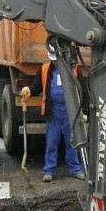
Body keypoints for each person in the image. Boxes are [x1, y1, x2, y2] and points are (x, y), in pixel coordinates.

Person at [19, 45, 85, 183]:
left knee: (71, 141)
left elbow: (83, 90)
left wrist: (84, 111)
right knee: (52, 142)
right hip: (54, 111)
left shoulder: (74, 69)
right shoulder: (44, 70)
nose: (56, 62)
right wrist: (29, 90)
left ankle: (75, 169)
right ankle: (49, 170)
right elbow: (37, 87)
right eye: (54, 60)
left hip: (70, 111)